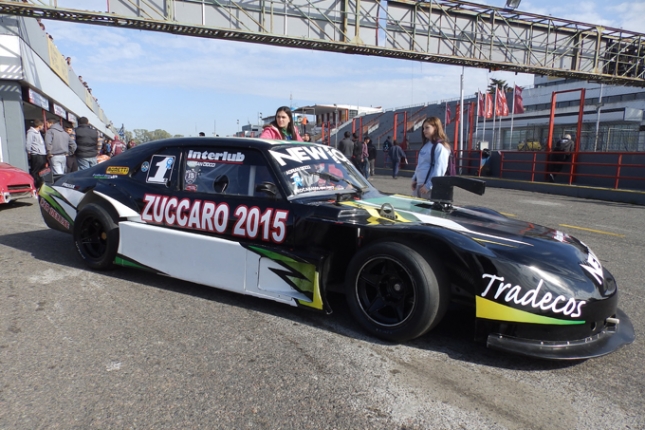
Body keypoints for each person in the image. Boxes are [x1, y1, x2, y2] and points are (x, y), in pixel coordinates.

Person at [411, 116, 450, 199]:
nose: (424, 130)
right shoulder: (425, 146)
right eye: (423, 128)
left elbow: (440, 169)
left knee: (426, 211)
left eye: (427, 128)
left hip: (429, 188)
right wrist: (415, 179)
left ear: (435, 128)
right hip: (419, 185)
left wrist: (429, 186)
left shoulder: (440, 147)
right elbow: (420, 164)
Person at [25, 119, 47, 186]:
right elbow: (29, 143)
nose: (43, 127)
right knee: (35, 171)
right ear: (39, 126)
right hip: (36, 154)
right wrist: (29, 151)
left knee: (41, 171)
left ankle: (41, 184)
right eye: (42, 125)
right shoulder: (31, 133)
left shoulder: (39, 133)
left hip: (42, 154)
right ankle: (36, 184)